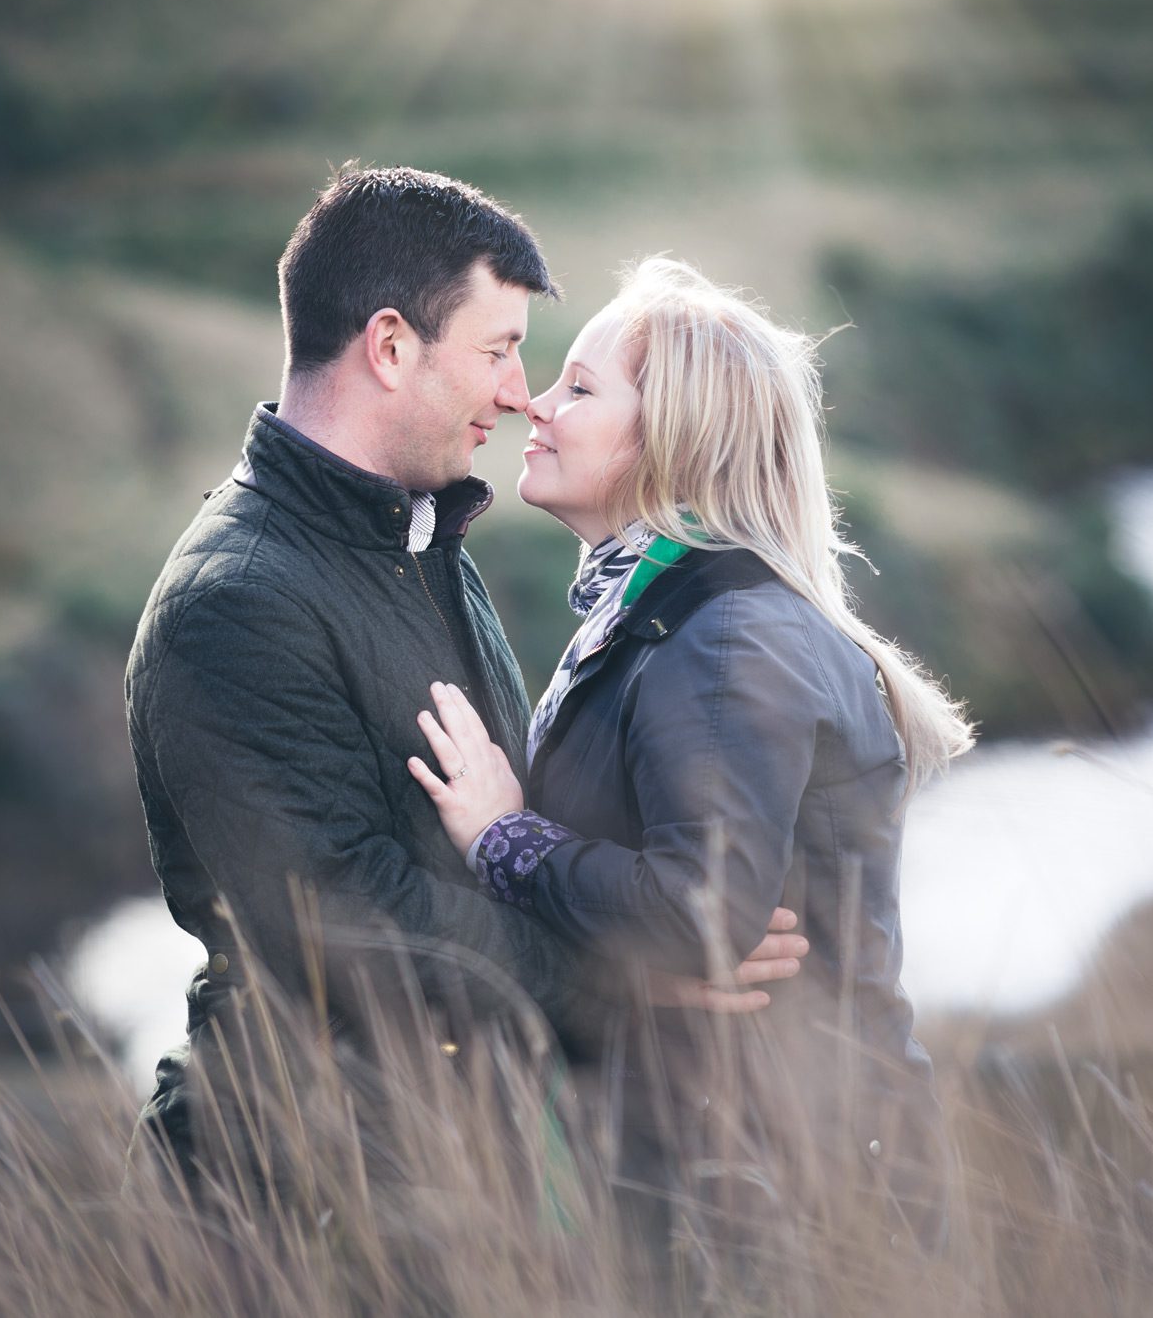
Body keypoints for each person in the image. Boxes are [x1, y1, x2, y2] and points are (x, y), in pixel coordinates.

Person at [122, 170, 805, 1190]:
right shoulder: (236, 602)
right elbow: (344, 922)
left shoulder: (418, 538)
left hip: (441, 1170)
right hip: (292, 1193)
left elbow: (478, 846)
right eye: (494, 350)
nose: (517, 392)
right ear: (390, 346)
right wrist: (625, 978)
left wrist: (674, 909)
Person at [407, 256, 974, 1231]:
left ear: (674, 434)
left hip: (794, 1191)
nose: (532, 405)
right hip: (721, 1173)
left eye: (579, 388)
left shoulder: (725, 641)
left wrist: (504, 840)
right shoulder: (657, 612)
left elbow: (699, 916)